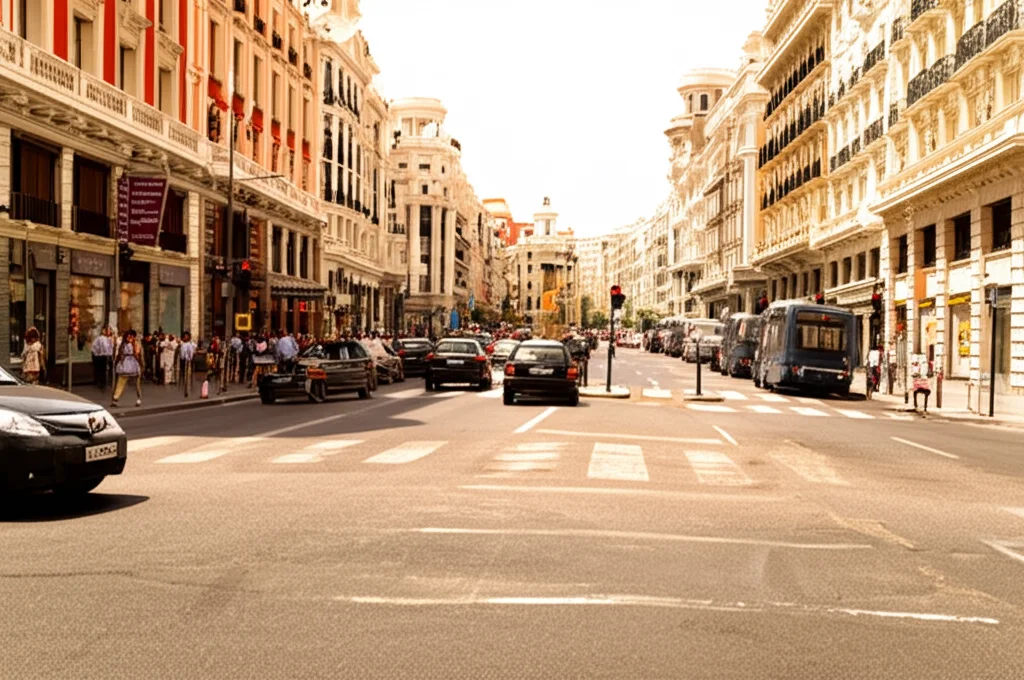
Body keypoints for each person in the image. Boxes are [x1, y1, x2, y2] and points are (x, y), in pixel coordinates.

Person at [112, 330, 143, 407]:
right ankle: (115, 398)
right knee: (120, 381)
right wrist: (118, 361)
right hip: (125, 363)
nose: (130, 337)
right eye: (128, 336)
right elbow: (119, 353)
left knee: (137, 383)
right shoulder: (123, 344)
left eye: (131, 336)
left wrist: (140, 364)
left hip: (133, 363)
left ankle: (138, 398)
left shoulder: (136, 344)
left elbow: (138, 354)